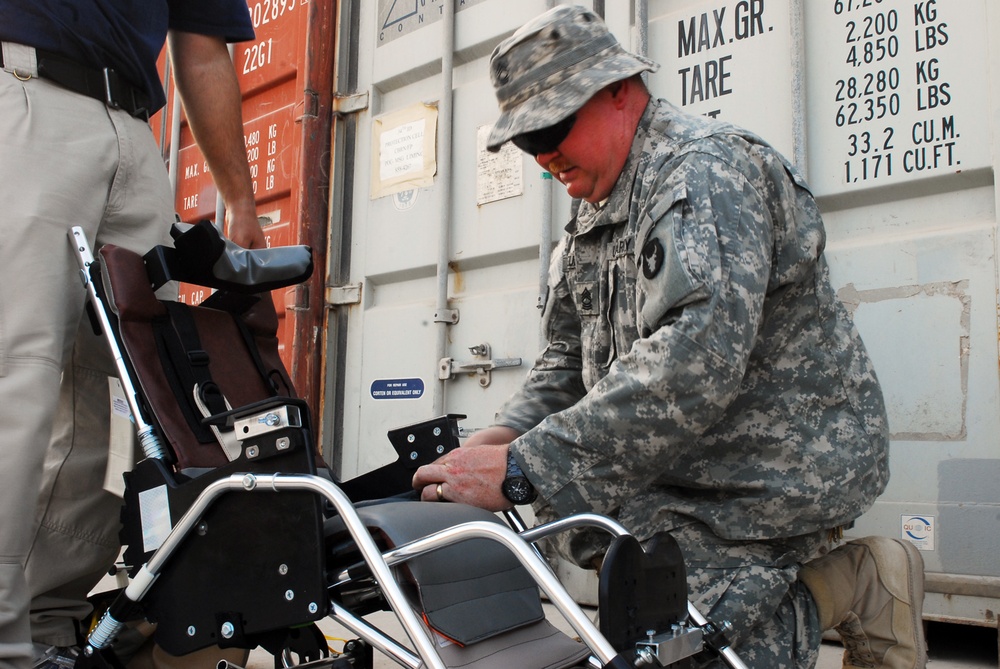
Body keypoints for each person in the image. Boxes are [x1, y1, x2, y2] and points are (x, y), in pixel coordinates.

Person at [412, 5, 926, 669]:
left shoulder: (704, 175)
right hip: (681, 470)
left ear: (619, 90)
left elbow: (693, 362)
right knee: (634, 614)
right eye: (525, 141)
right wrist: (505, 435)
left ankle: (860, 582)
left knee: (685, 653)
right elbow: (567, 357)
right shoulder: (592, 215)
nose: (545, 156)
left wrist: (527, 466)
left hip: (773, 473)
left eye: (554, 126)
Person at [0, 3, 266, 668]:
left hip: (133, 132)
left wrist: (241, 200)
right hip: (25, 90)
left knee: (125, 401)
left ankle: (47, 622)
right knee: (17, 375)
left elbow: (201, 47)